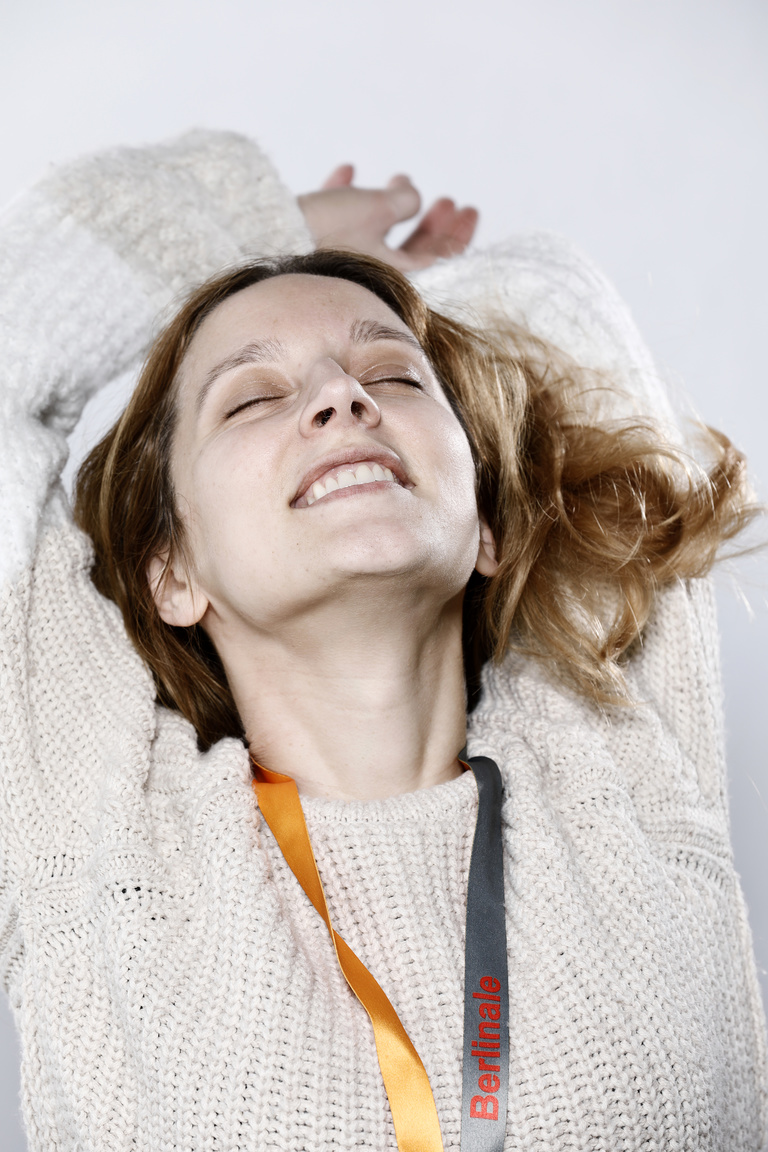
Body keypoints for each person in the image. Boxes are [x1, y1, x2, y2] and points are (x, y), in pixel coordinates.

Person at [0, 128, 765, 1152]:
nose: (341, 397)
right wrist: (273, 227)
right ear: (172, 571)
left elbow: (562, 313)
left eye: (396, 380)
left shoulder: (616, 746)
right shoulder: (100, 829)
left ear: (487, 526)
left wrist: (419, 294)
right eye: (257, 397)